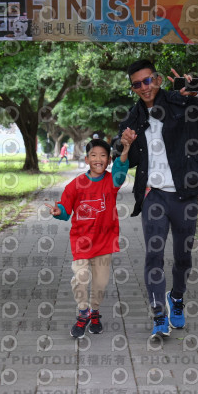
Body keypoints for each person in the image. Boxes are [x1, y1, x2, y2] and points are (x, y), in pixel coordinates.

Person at [112, 59, 198, 339]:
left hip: (184, 194)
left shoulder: (183, 101)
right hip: (153, 196)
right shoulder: (132, 119)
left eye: (148, 80)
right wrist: (125, 145)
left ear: (158, 79)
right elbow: (124, 158)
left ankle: (176, 297)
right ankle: (158, 315)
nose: (144, 87)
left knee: (183, 257)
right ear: (133, 88)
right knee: (153, 255)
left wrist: (197, 90)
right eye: (137, 84)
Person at [44, 135, 136, 339]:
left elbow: (121, 170)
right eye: (93, 155)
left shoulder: (112, 181)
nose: (98, 159)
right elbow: (65, 210)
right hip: (82, 242)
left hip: (104, 242)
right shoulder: (76, 185)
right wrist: (59, 212)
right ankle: (83, 311)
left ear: (109, 160)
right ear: (86, 159)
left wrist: (125, 150)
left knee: (100, 284)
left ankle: (95, 311)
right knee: (80, 277)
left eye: (103, 155)